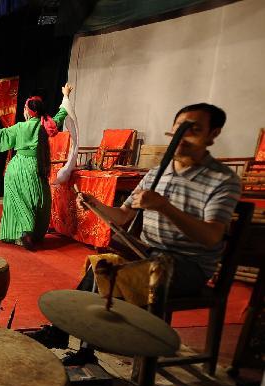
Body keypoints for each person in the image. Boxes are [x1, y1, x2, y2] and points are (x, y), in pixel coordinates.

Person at [31, 102, 242, 365]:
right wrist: (95, 204)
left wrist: (165, 207)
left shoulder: (222, 180)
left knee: (112, 275)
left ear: (213, 134)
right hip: (148, 254)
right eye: (178, 129)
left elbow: (211, 236)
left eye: (193, 130)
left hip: (188, 266)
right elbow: (123, 216)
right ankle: (76, 342)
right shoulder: (157, 174)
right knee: (100, 267)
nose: (181, 137)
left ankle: (89, 346)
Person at [0, 84, 72, 250]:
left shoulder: (20, 127)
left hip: (18, 168)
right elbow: (62, 114)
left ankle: (24, 232)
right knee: (38, 199)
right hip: (38, 167)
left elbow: (0, 136)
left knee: (19, 200)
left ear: (27, 112)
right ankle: (33, 233)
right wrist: (66, 96)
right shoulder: (47, 125)